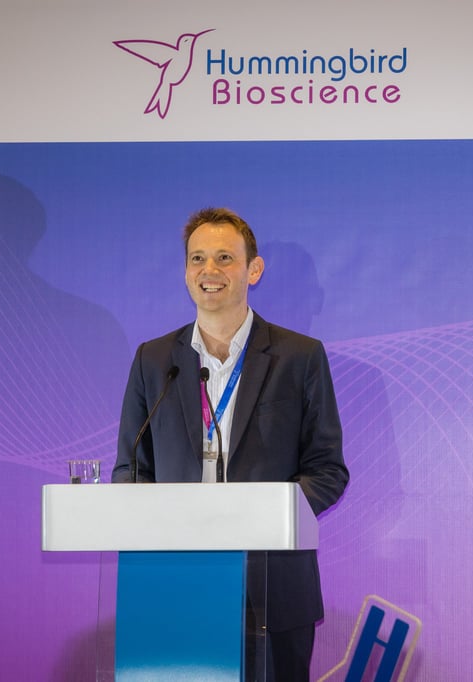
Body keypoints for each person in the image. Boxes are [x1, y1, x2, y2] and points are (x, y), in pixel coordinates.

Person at [112, 207, 349, 680]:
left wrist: (262, 517)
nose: (210, 270)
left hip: (273, 585)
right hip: (176, 580)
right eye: (197, 258)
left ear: (253, 270)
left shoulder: (300, 356)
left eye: (225, 257)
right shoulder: (153, 360)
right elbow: (130, 470)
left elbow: (327, 470)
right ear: (185, 272)